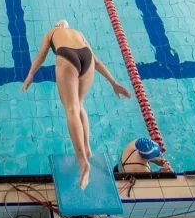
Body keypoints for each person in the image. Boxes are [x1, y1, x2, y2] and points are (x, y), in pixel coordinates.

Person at [20, 20, 132, 190]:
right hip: (87, 57)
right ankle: (86, 148)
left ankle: (83, 162)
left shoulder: (51, 33)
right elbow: (96, 61)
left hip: (67, 57)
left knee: (71, 109)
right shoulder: (78, 33)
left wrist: (30, 75)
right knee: (79, 105)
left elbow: (41, 56)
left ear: (57, 26)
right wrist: (113, 82)